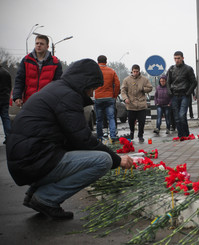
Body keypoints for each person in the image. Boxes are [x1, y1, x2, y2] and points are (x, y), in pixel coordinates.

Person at [6, 59, 133, 220]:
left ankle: (34, 194)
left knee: (79, 153)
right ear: (85, 82)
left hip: (26, 159)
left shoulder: (57, 89)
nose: (92, 93)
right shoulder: (68, 95)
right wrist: (117, 160)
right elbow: (83, 139)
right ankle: (46, 199)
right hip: (32, 160)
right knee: (103, 161)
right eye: (93, 87)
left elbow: (72, 139)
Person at [13, 34, 62, 107]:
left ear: (47, 46)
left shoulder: (55, 63)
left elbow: (58, 84)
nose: (39, 45)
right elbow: (19, 80)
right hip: (29, 101)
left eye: (41, 44)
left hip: (47, 103)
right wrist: (17, 97)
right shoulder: (26, 60)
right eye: (37, 43)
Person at [166, 51, 197, 138]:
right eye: (175, 58)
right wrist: (169, 92)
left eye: (178, 58)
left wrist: (188, 93)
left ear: (182, 58)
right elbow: (168, 82)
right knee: (177, 118)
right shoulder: (171, 69)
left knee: (182, 115)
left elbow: (194, 82)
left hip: (184, 95)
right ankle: (181, 135)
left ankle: (186, 134)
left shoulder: (188, 69)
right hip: (174, 95)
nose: (177, 60)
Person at [121, 64, 153, 143]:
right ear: (132, 71)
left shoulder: (144, 79)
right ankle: (132, 132)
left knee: (142, 122)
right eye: (134, 71)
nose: (135, 73)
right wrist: (125, 98)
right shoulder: (126, 80)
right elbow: (123, 90)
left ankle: (140, 135)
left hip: (141, 105)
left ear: (139, 71)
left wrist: (143, 89)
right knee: (131, 121)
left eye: (137, 71)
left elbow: (150, 88)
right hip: (131, 105)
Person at [95, 55, 120, 141]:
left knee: (99, 119)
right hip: (109, 97)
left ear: (97, 62)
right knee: (111, 117)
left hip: (98, 97)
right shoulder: (111, 71)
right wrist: (115, 96)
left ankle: (99, 137)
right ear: (106, 62)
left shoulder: (95, 72)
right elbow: (117, 84)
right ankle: (113, 136)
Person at [0, 64, 12, 144]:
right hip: (5, 98)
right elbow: (10, 86)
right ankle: (9, 137)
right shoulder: (6, 72)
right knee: (5, 118)